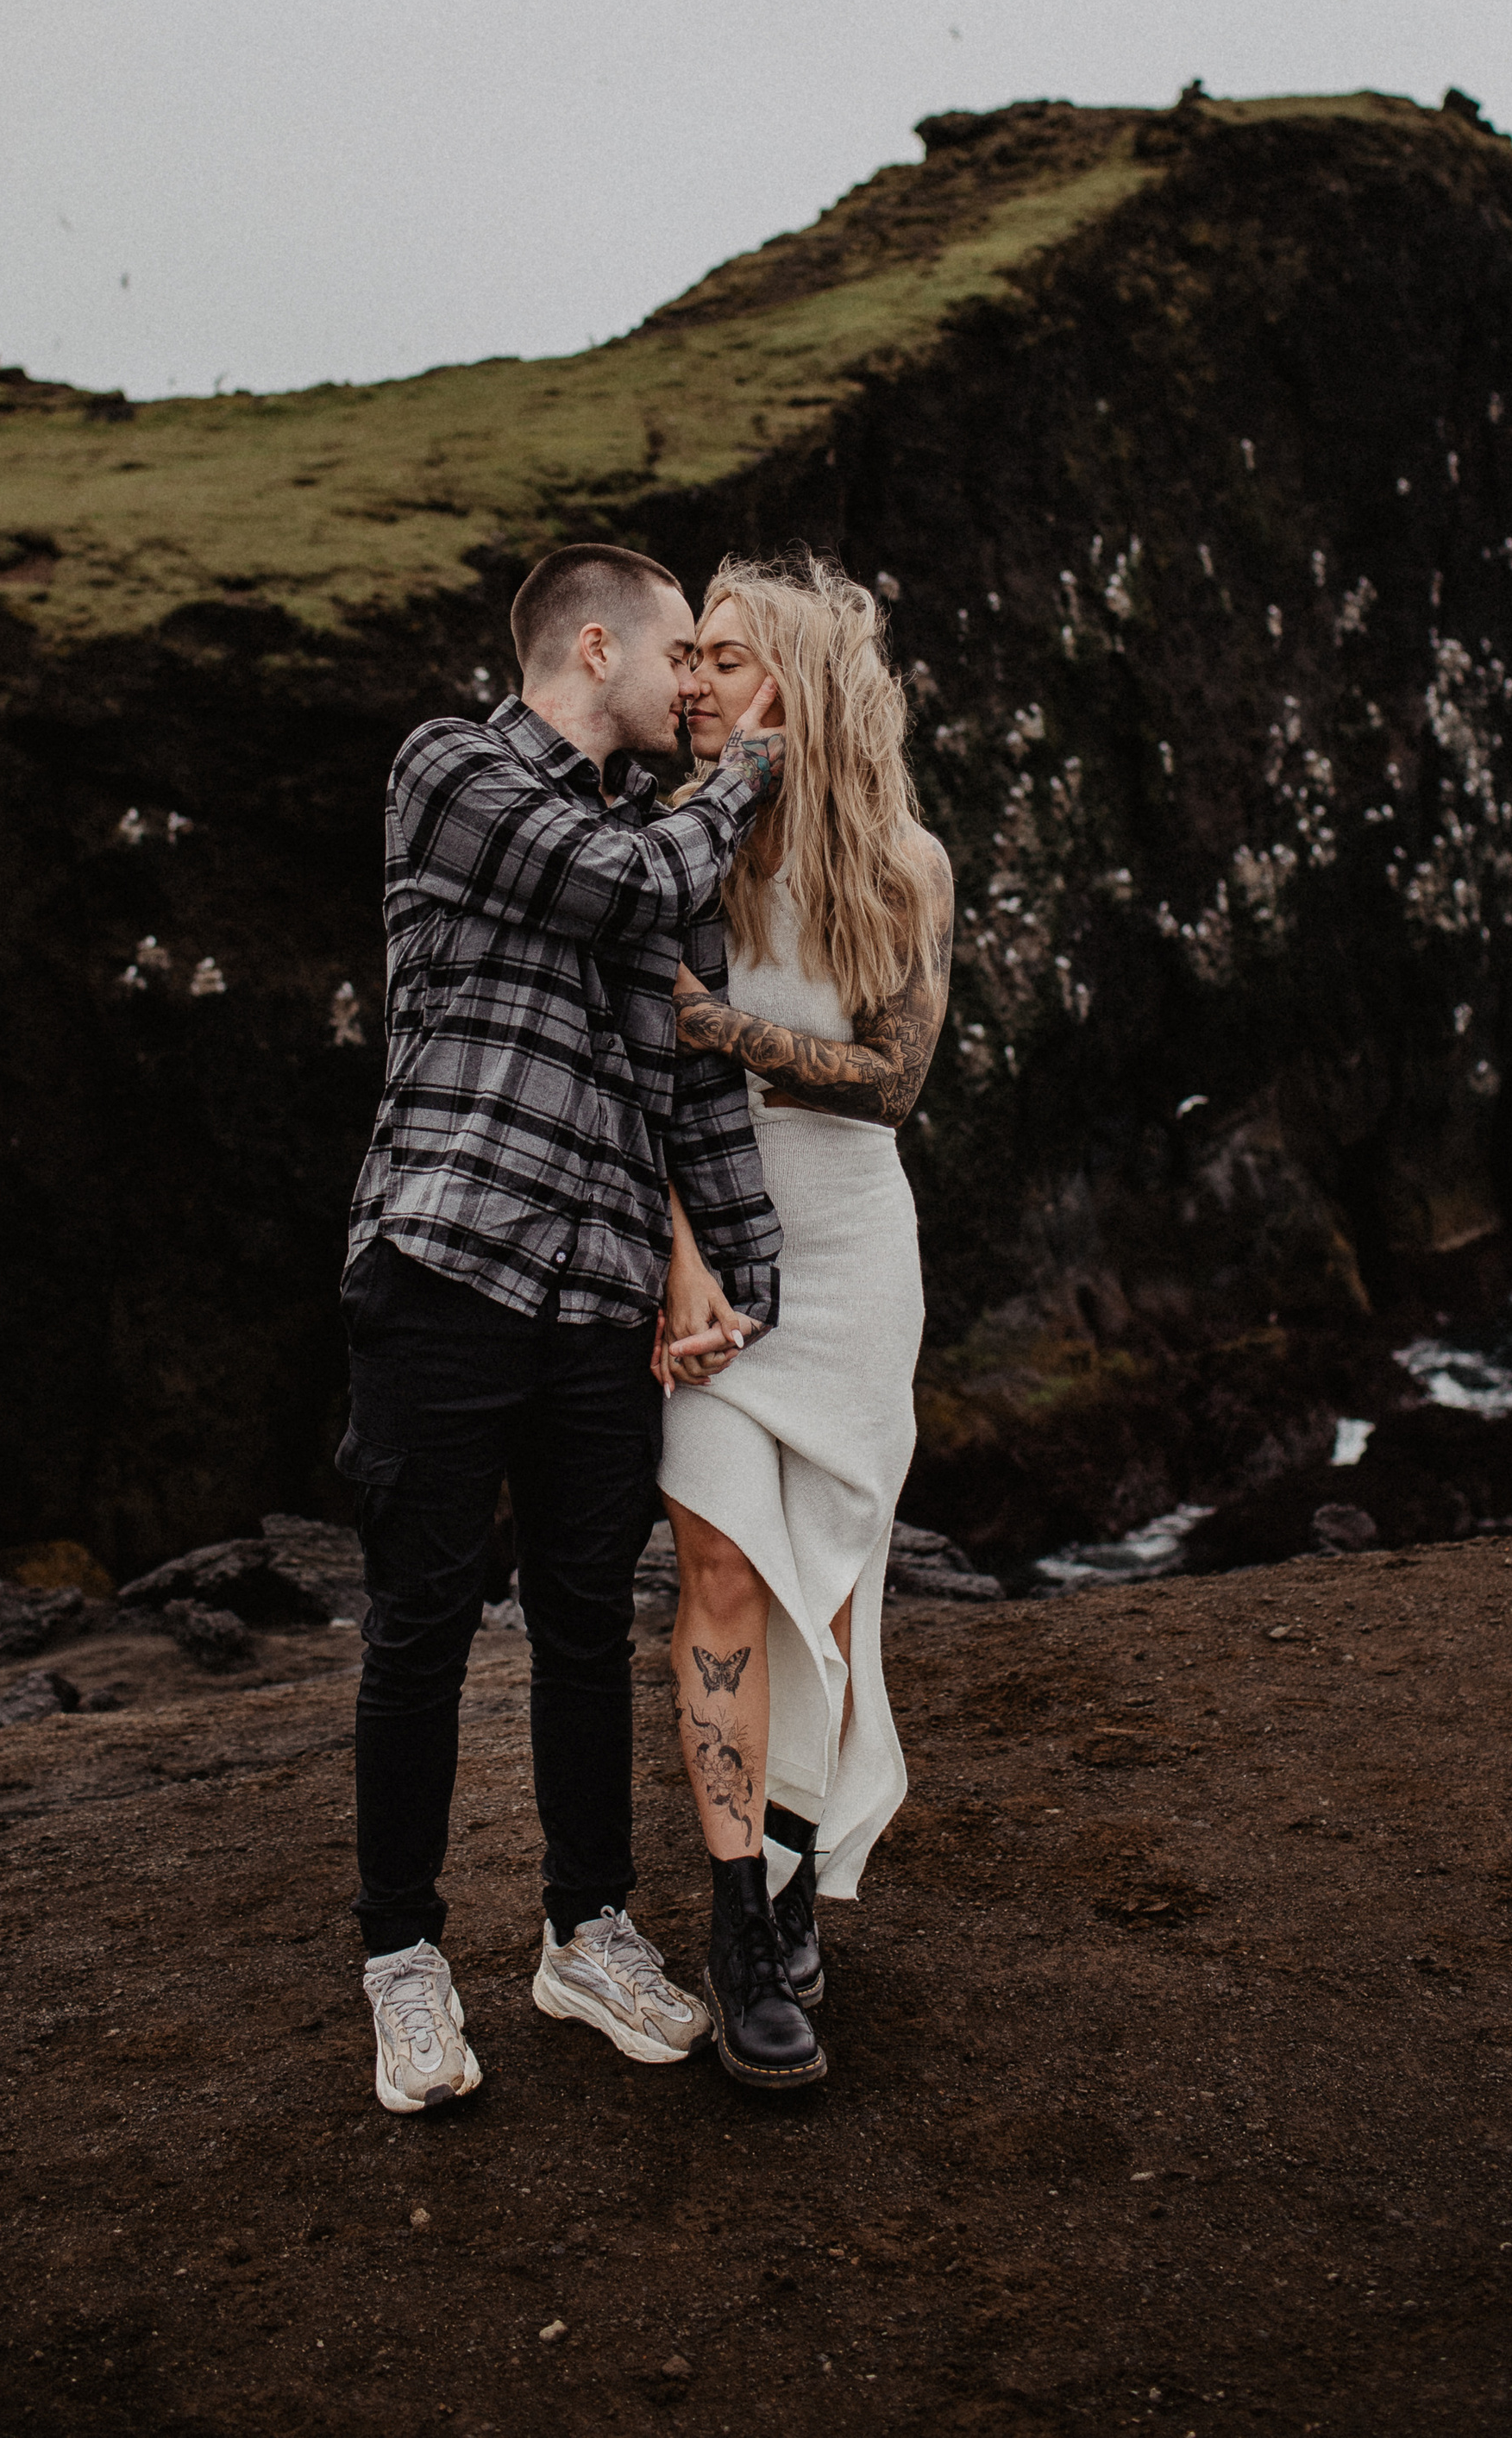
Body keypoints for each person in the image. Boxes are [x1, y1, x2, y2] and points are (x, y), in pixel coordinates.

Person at [340, 539, 787, 2115]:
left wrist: (741, 1278)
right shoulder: (453, 769)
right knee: (421, 1626)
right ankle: (402, 1962)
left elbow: (689, 1081)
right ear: (595, 648)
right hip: (449, 1259)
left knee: (586, 1623)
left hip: (600, 1290)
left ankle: (586, 1932)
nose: (693, 686)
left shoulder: (646, 832)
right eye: (679, 658)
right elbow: (632, 890)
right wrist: (750, 777)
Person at [656, 552, 954, 2089]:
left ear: (802, 680)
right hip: (710, 1256)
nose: (689, 680)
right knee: (717, 1561)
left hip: (850, 1251)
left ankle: (785, 1873)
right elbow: (632, 1095)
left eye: (725, 656)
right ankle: (736, 1928)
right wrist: (673, 1261)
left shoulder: (901, 862)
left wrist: (726, 1030)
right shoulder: (666, 856)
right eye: (686, 657)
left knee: (828, 1584)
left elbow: (897, 1083)